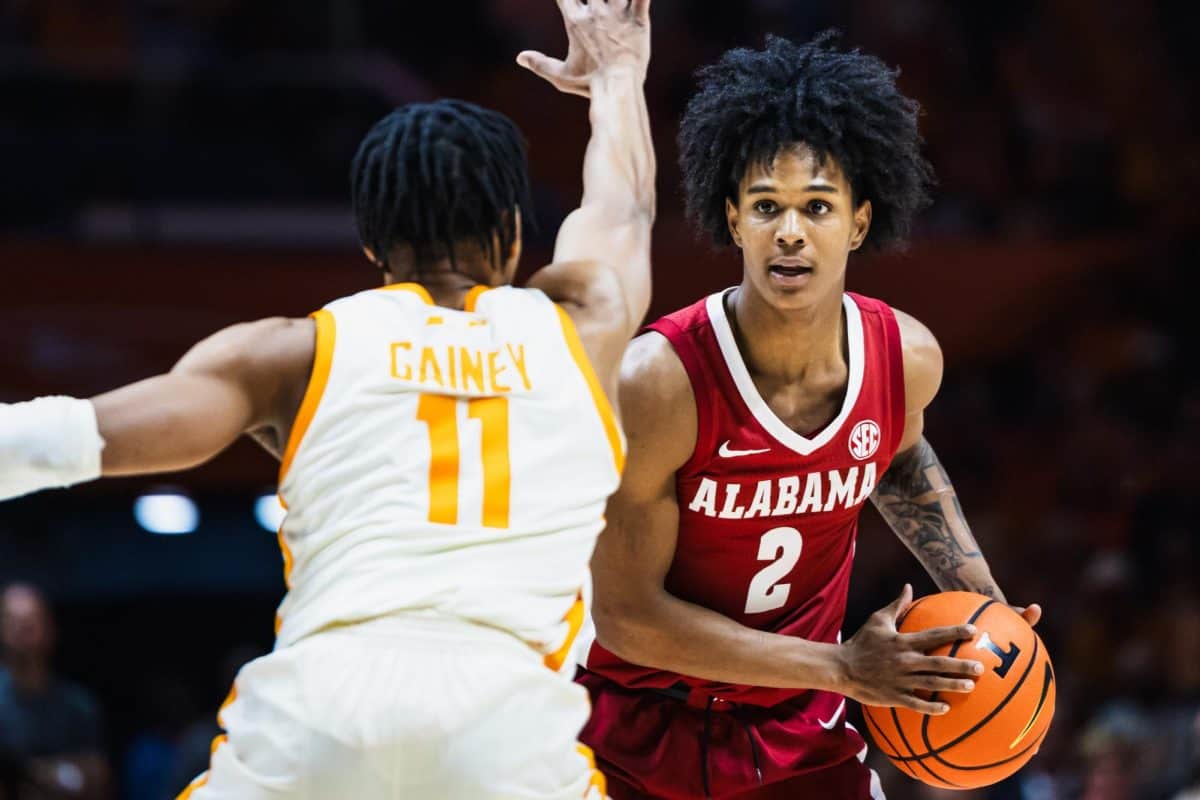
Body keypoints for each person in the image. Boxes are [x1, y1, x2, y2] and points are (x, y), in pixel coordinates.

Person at [0, 0, 656, 796]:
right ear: (516, 234)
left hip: (323, 706)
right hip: (505, 716)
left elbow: (75, 436)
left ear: (372, 245)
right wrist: (619, 75)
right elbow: (622, 208)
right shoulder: (584, 326)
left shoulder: (294, 352)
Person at [576, 32, 1040, 799]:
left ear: (859, 222)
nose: (789, 230)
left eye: (816, 206)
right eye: (767, 206)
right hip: (629, 731)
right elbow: (626, 617)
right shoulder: (662, 381)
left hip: (797, 735)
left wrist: (980, 591)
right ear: (733, 221)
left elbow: (897, 453)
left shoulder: (906, 357)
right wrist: (844, 668)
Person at [0, 583, 111, 800]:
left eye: (31, 621)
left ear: (50, 628)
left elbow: (98, 776)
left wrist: (31, 773)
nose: (23, 629)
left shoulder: (78, 705)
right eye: (14, 621)